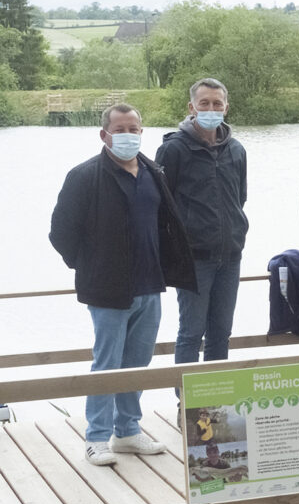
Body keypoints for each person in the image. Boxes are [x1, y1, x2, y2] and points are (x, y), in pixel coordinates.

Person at [49, 103, 197, 465]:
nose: (129, 136)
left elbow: (167, 225)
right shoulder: (84, 176)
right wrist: (89, 266)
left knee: (137, 362)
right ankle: (96, 437)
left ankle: (127, 431)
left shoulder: (152, 172)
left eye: (135, 129)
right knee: (107, 363)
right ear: (105, 135)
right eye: (121, 130)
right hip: (108, 290)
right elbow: (61, 234)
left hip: (150, 286)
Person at [154, 78, 248, 372]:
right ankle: (188, 405)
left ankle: (216, 403)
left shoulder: (237, 150)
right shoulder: (174, 150)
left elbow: (239, 198)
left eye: (217, 104)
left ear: (226, 107)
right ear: (191, 107)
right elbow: (162, 206)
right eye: (204, 103)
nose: (211, 109)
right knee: (191, 333)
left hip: (230, 256)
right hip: (194, 259)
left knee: (221, 334)